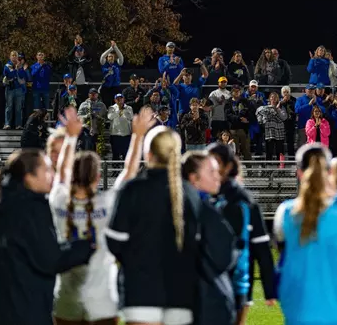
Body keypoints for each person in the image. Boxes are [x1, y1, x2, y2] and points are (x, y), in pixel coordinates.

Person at [49, 107, 152, 325]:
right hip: (102, 296)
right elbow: (129, 170)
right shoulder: (107, 203)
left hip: (67, 295)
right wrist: (138, 135)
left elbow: (61, 173)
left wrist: (70, 137)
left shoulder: (58, 199)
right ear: (98, 176)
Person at [0, 149, 95, 325]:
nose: (52, 174)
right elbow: (50, 259)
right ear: (29, 177)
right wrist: (87, 246)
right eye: (47, 170)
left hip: (1, 311)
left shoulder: (5, 204)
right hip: (24, 311)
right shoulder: (31, 208)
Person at [106, 126, 202, 325]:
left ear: (147, 153)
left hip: (140, 289)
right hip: (182, 292)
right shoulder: (191, 193)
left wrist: (134, 262)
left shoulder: (132, 189)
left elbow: (114, 242)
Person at [274, 143, 337, 325]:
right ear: (330, 171)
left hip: (302, 311)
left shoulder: (284, 213)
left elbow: (285, 253)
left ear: (299, 172)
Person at [207, 143, 276, 325]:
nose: (212, 167)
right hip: (205, 284)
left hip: (238, 285)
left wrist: (269, 288)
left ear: (228, 166)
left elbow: (261, 245)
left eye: (216, 162)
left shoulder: (244, 201)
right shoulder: (200, 197)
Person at [181, 151, 236, 325]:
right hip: (207, 304)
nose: (217, 176)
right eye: (211, 172)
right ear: (194, 178)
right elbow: (224, 257)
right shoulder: (204, 212)